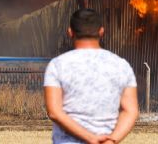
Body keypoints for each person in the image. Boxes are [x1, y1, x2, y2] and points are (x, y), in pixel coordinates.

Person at [44, 9, 139, 144]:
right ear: (101, 31)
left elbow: (54, 112)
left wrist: (91, 138)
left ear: (70, 32)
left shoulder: (57, 65)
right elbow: (131, 111)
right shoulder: (121, 66)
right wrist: (112, 140)